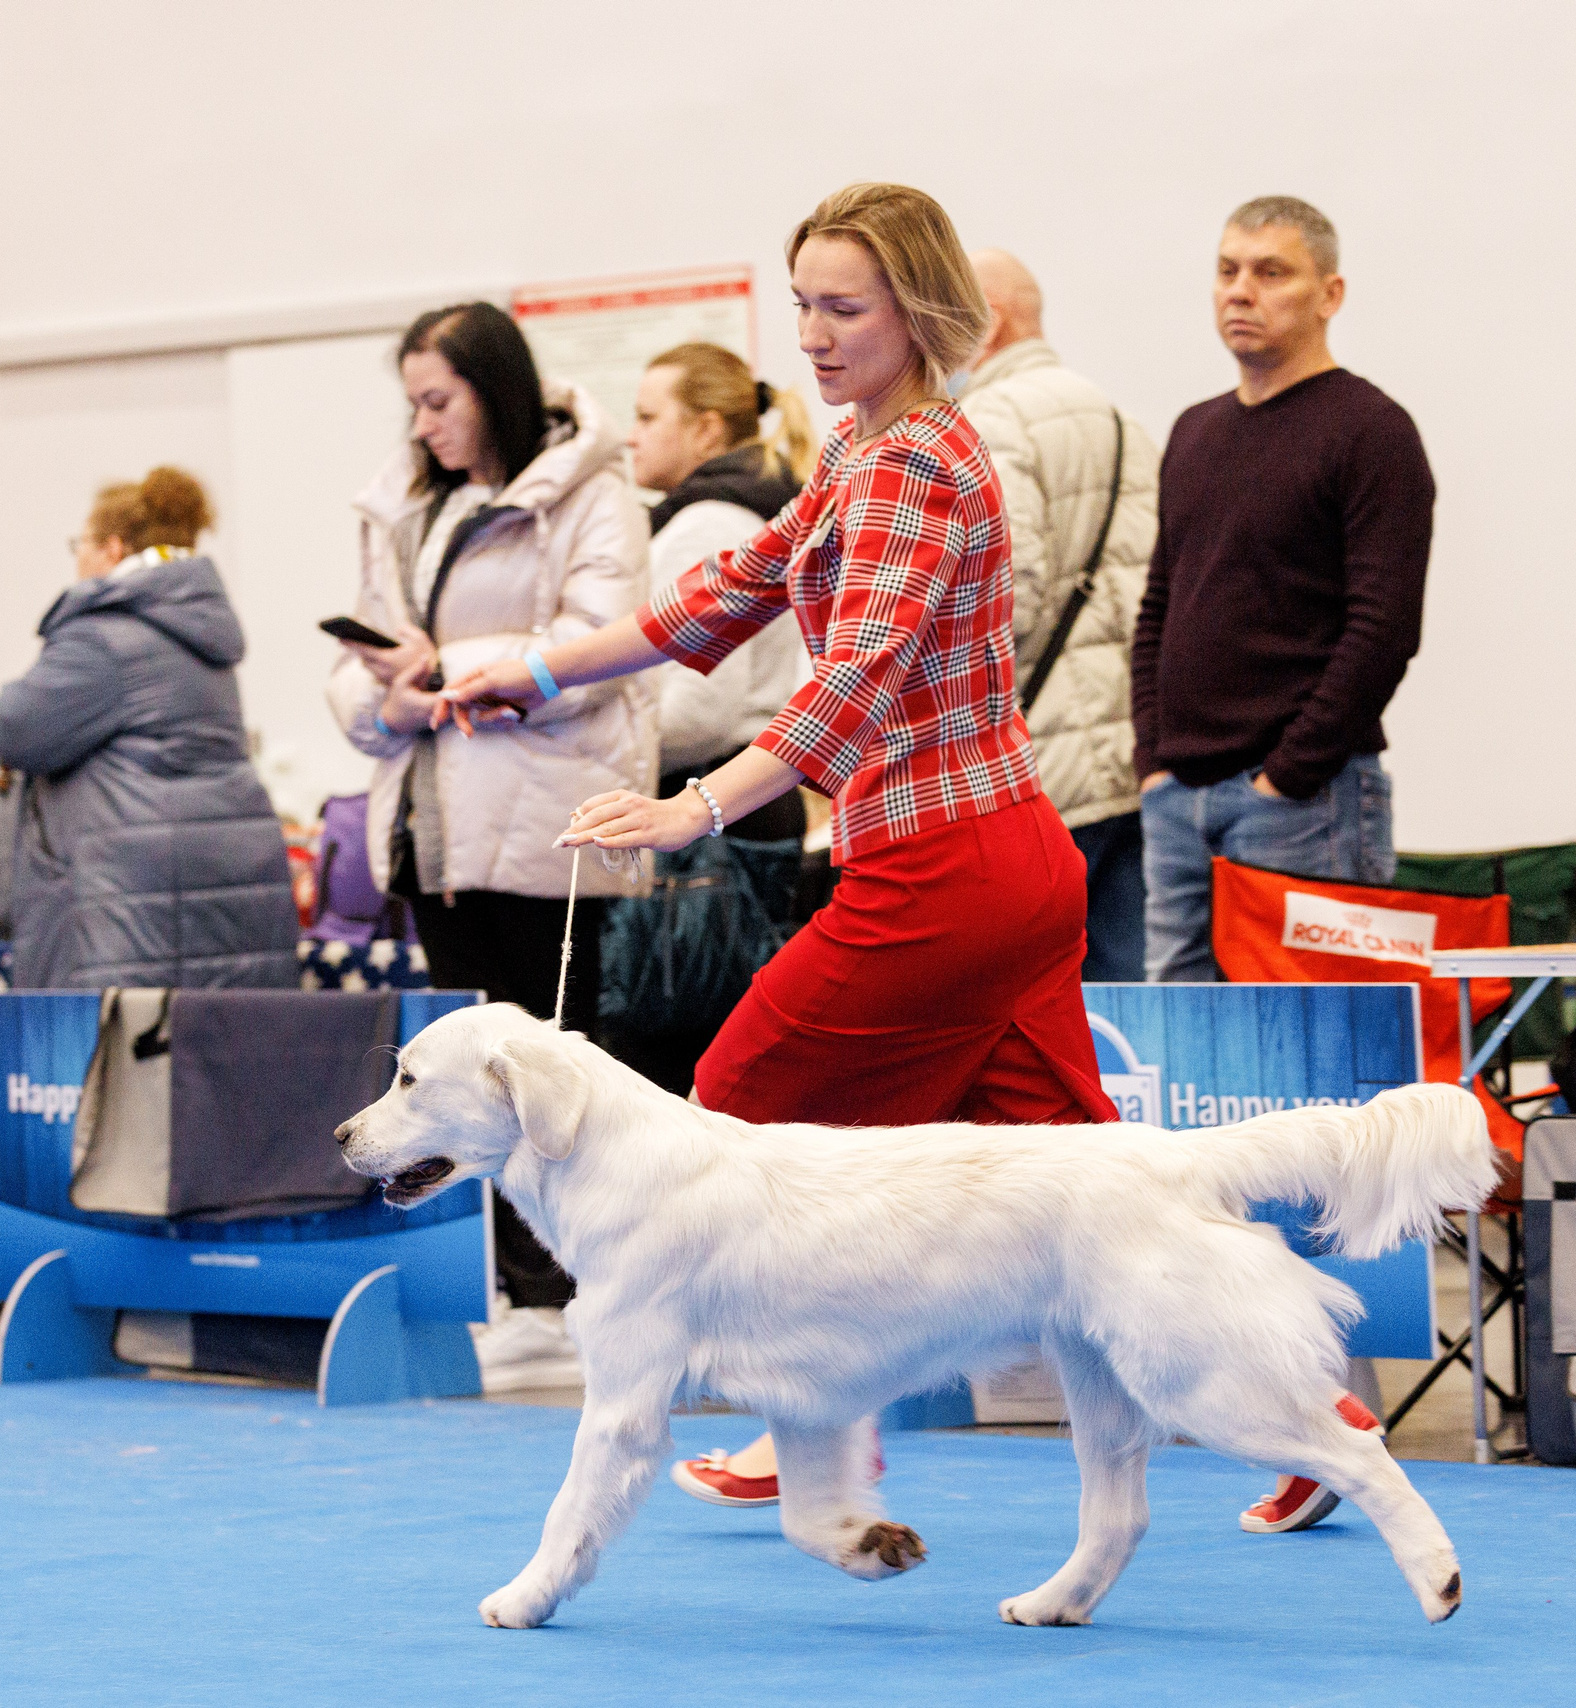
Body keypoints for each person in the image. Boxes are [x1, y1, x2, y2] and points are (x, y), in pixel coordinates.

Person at [436, 182, 1119, 1505]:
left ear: (919, 313)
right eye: (800, 299)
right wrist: (532, 669)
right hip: (999, 870)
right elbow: (717, 602)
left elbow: (850, 684)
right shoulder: (859, 450)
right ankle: (1328, 1428)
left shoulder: (921, 458)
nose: (809, 330)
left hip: (951, 874)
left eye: (842, 305)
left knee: (740, 1103)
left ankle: (814, 1424)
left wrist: (689, 809)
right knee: (1112, 1210)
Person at [325, 302, 655, 1391]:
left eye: (439, 400)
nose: (422, 426)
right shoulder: (406, 506)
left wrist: (456, 660)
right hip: (434, 829)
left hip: (548, 834)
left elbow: (604, 642)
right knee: (458, 1097)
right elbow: (361, 671)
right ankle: (520, 1294)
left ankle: (584, 1298)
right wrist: (396, 696)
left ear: (494, 389)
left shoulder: (591, 491)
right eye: (411, 404)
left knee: (565, 1084)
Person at [1131, 196, 1436, 986]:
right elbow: (1161, 604)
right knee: (1185, 1059)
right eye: (1227, 271)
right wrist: (1153, 759)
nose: (1240, 291)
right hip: (1179, 802)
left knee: (1314, 1055)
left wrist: (1289, 774)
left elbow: (1384, 628)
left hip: (1306, 803)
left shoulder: (1371, 431)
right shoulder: (1196, 430)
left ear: (1329, 294)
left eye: (1271, 273)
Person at [0, 467, 298, 990]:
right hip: (217, 883)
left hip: (131, 903)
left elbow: (12, 728)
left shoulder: (103, 638)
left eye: (80, 543)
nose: (76, 559)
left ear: (112, 549)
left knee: (123, 1067)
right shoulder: (202, 636)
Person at [958, 250, 1157, 981]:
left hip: (1045, 759)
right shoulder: (1117, 414)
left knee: (1045, 993)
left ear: (987, 322)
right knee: (1129, 990)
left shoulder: (988, 418)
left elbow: (1004, 598)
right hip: (1132, 751)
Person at [628, 341, 814, 839]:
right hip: (738, 800)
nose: (631, 438)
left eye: (647, 419)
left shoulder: (709, 523)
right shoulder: (742, 509)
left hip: (714, 805)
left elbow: (699, 711)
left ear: (706, 430)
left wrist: (594, 751)